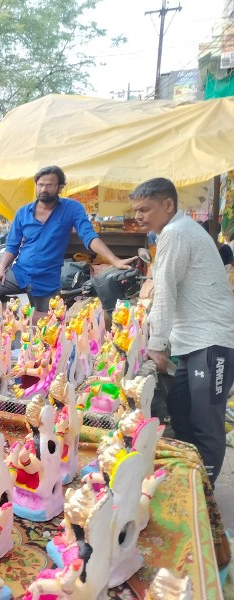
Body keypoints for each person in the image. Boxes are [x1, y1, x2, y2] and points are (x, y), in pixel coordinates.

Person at [131, 178, 234, 486]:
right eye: (136, 210)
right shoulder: (177, 232)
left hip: (212, 342)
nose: (138, 216)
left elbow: (165, 291)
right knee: (182, 413)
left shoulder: (175, 232)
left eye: (145, 209)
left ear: (168, 205)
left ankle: (205, 495)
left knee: (205, 423)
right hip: (191, 343)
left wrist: (157, 346)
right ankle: (190, 485)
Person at [0, 166, 133, 318]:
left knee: (46, 326)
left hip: (47, 279)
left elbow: (89, 236)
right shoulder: (23, 212)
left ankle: (30, 322)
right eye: (40, 185)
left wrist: (115, 260)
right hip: (20, 273)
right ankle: (16, 310)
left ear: (60, 187)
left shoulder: (72, 209)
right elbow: (12, 246)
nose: (44, 189)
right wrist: (1, 269)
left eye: (49, 185)